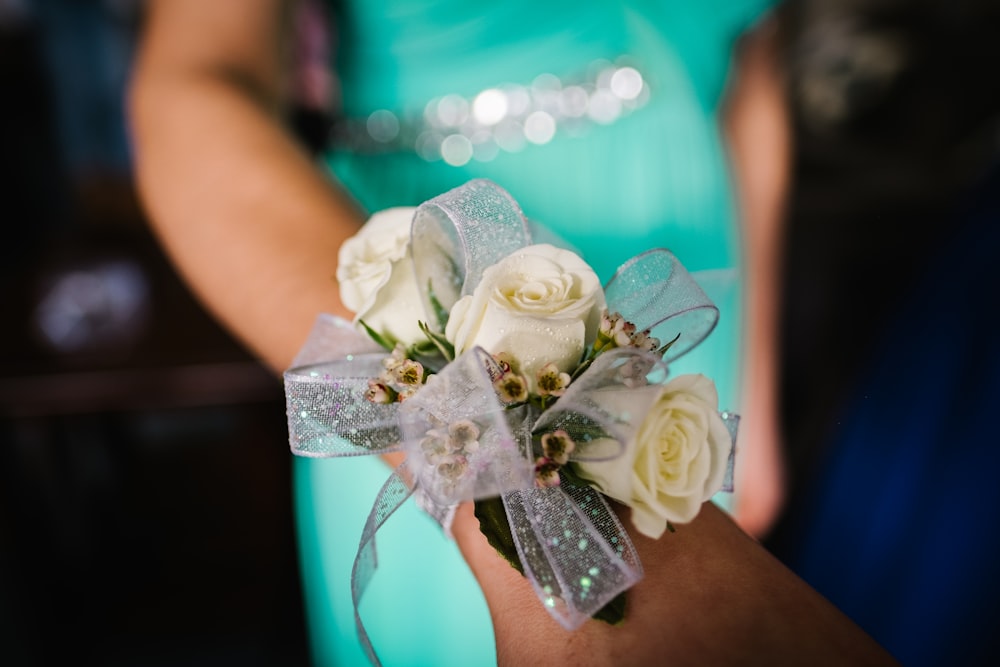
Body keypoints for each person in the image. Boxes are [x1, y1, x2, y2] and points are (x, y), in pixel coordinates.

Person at [127, 1, 891, 665]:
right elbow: (196, 85)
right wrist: (496, 469)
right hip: (427, 299)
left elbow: (750, 55)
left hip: (680, 291)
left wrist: (750, 398)